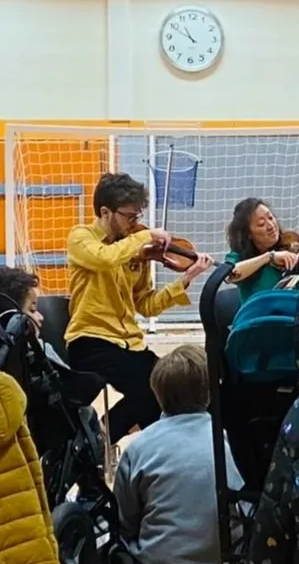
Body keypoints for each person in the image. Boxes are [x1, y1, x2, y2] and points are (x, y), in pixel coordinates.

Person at [64, 173, 213, 444]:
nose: (135, 224)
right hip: (91, 341)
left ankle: (101, 438)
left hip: (130, 345)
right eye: (129, 217)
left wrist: (185, 279)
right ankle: (97, 441)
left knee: (174, 387)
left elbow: (146, 305)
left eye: (137, 217)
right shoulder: (81, 237)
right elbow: (104, 259)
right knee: (148, 393)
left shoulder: (135, 249)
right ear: (105, 212)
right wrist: (143, 236)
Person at [114, 345, 241, 564]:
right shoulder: (226, 441)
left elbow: (124, 521)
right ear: (208, 393)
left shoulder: (139, 448)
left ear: (157, 393)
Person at [224, 198, 299, 302]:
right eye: (261, 224)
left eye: (270, 218)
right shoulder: (239, 256)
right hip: (258, 316)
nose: (271, 226)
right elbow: (230, 274)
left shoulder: (288, 245)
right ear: (248, 234)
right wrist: (269, 257)